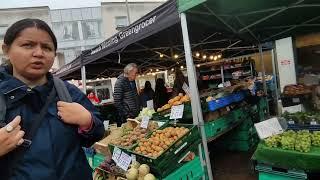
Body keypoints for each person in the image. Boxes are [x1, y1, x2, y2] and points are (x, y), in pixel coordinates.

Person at [0, 18, 104, 179]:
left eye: (47, 48)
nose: (39, 53)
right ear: (6, 49)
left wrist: (88, 121)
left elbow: (97, 132)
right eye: (28, 45)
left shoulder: (68, 92)